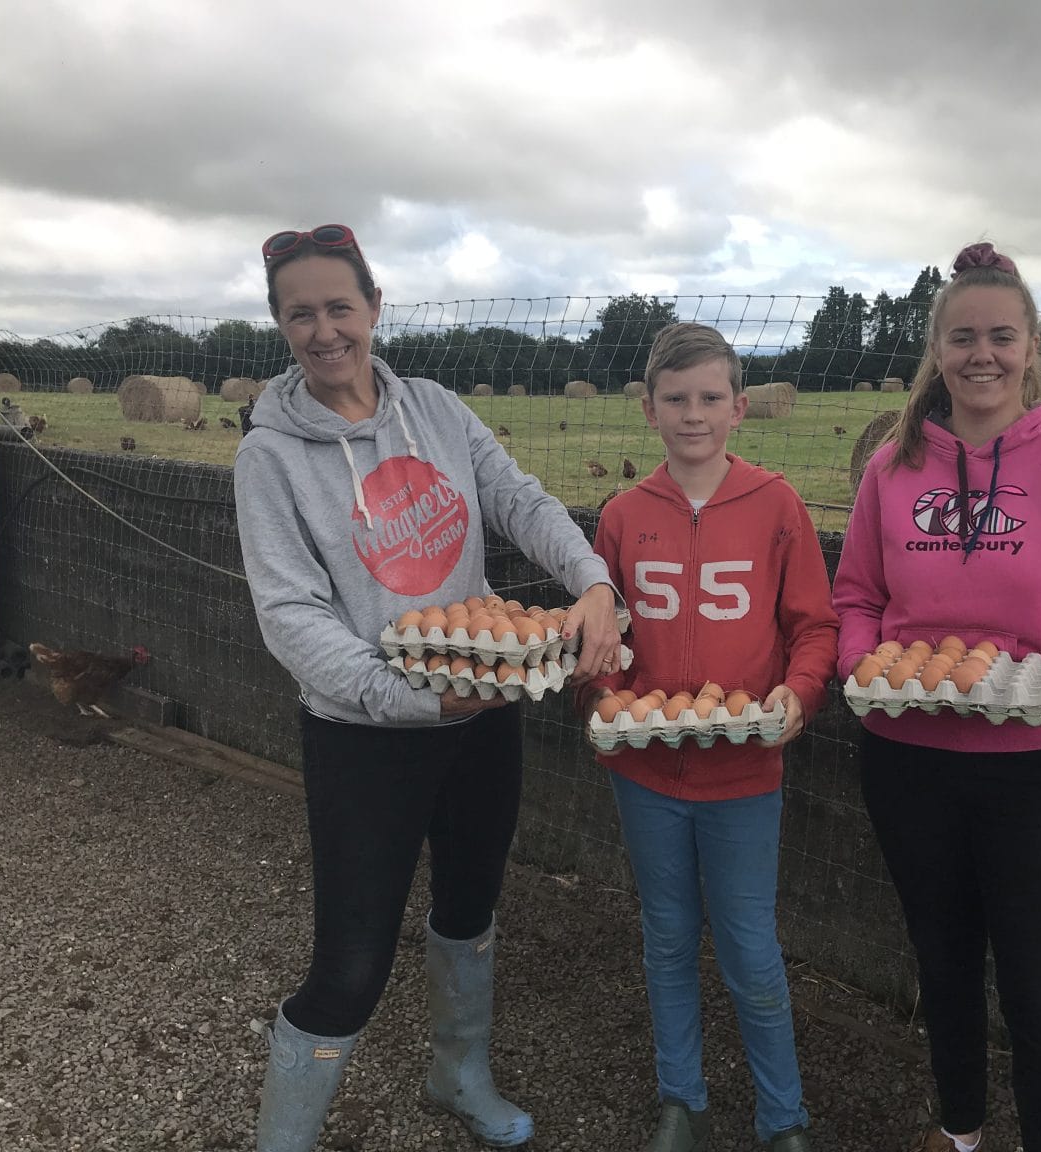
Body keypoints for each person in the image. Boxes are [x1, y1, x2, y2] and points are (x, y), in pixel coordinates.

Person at [235, 223, 622, 1151]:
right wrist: (410, 700)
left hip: (482, 714)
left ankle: (459, 1075)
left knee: (470, 907)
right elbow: (290, 617)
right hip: (366, 734)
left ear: (374, 307)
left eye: (339, 307)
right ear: (281, 326)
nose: (324, 330)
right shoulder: (270, 455)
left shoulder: (439, 409)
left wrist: (594, 579)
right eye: (301, 314)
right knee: (353, 963)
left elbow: (519, 499)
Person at [831, 243, 1041, 1152]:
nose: (983, 355)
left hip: (1035, 769)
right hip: (907, 763)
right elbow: (854, 594)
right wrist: (864, 664)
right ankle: (961, 1133)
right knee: (943, 966)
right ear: (936, 348)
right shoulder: (892, 468)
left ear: (1031, 345)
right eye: (963, 336)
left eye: (1001, 337)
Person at [582, 323, 839, 1152]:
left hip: (744, 772)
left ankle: (783, 1115)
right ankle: (680, 1101)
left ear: (738, 407)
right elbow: (603, 634)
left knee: (752, 952)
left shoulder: (777, 505)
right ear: (650, 410)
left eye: (709, 398)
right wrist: (611, 702)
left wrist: (799, 696)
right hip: (649, 775)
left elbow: (814, 627)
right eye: (675, 399)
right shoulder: (623, 514)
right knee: (665, 937)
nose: (693, 414)